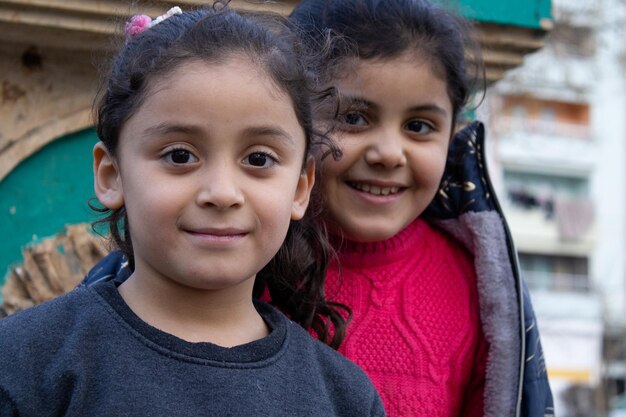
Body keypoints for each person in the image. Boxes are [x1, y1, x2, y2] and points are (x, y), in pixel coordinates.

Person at [81, 1, 555, 416]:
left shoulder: (482, 284)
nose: (389, 152)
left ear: (454, 136)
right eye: (353, 118)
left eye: (419, 126)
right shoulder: (229, 258)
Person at [0, 5, 386, 416]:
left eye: (258, 159)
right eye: (180, 155)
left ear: (300, 187)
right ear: (112, 175)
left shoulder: (344, 397)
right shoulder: (26, 362)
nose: (221, 193)